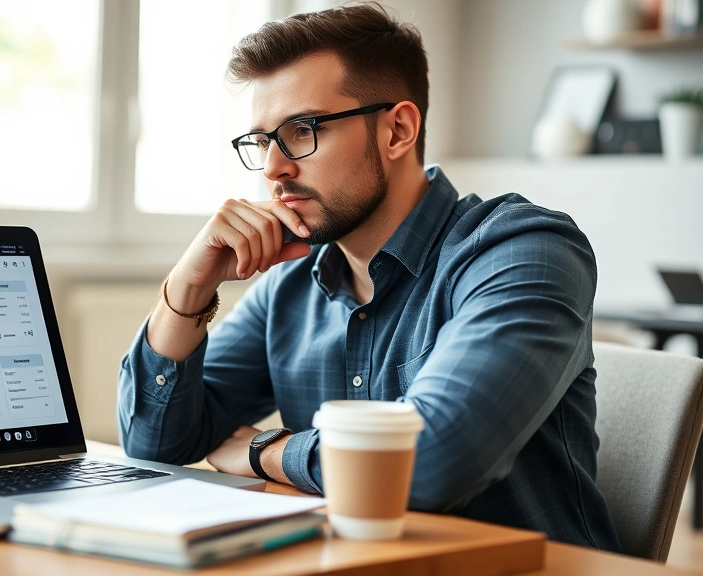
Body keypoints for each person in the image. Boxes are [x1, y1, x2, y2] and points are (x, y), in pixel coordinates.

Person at [117, 2, 620, 551]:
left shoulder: (524, 251)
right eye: (262, 141)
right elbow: (155, 442)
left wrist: (263, 449)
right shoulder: (291, 285)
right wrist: (189, 290)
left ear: (398, 130)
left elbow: (429, 465)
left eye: (302, 130)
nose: (272, 168)